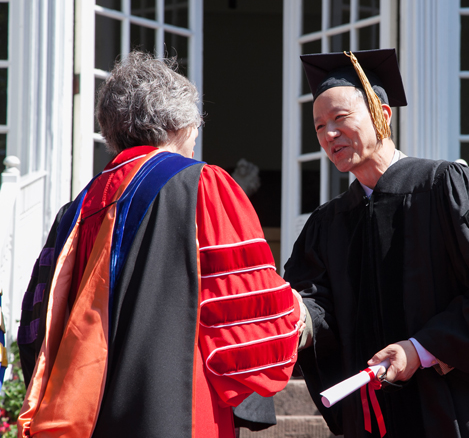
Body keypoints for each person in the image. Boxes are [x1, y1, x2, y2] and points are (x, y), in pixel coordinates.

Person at [17, 51, 303, 438]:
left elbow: (36, 335)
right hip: (178, 415)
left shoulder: (76, 210)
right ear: (179, 123)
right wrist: (298, 312)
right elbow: (242, 315)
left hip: (85, 422)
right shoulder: (202, 185)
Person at [284, 49, 469, 438]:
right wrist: (297, 317)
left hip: (452, 409)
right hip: (372, 417)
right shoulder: (329, 223)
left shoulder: (445, 186)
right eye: (319, 126)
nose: (328, 134)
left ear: (383, 113)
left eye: (340, 118)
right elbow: (319, 304)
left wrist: (420, 349)